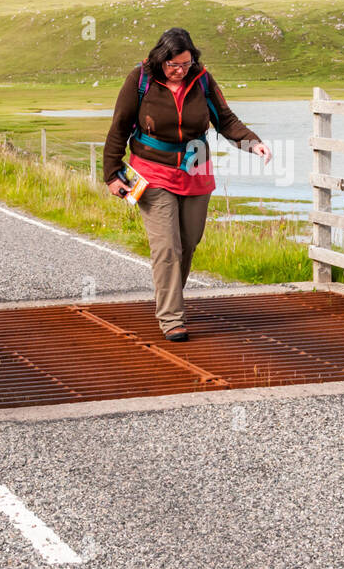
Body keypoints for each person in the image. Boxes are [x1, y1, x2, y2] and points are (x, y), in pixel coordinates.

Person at [103, 27, 271, 342]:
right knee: (167, 246)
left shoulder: (203, 80)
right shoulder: (139, 80)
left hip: (196, 170)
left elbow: (225, 119)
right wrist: (112, 173)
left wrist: (253, 143)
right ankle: (171, 319)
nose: (180, 70)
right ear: (160, 59)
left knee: (188, 244)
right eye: (173, 65)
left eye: (185, 63)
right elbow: (119, 126)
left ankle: (168, 298)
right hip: (152, 172)